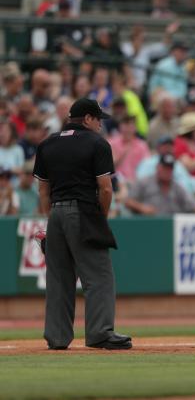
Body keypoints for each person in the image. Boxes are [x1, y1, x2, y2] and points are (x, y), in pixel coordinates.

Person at [32, 97, 131, 350]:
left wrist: (50, 219)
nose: (100, 124)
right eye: (98, 119)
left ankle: (56, 337)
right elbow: (106, 189)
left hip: (55, 212)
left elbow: (43, 189)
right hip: (84, 212)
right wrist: (100, 218)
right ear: (87, 118)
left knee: (58, 279)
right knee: (98, 276)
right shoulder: (97, 143)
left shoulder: (47, 144)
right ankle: (100, 333)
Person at [125, 153, 195, 215]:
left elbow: (193, 206)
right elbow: (128, 202)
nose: (167, 171)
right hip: (148, 225)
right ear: (158, 167)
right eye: (164, 168)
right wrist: (142, 208)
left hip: (171, 227)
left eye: (170, 168)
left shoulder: (177, 188)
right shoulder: (144, 183)